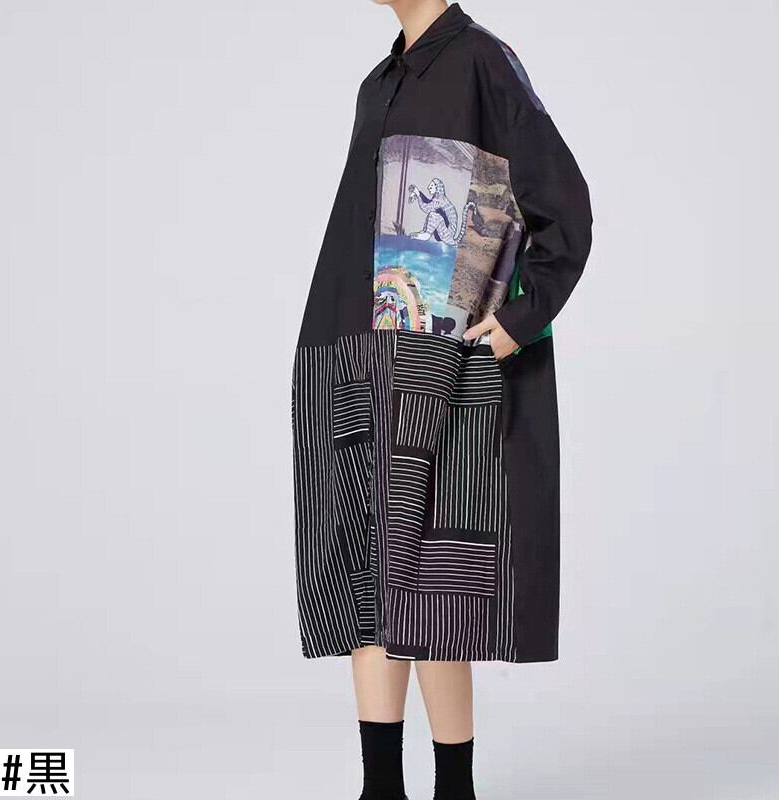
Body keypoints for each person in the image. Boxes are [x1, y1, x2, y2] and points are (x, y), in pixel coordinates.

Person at [290, 1, 592, 797]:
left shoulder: (483, 63)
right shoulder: (377, 84)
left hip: (438, 364)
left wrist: (516, 324)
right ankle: (380, 787)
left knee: (433, 584)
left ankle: (455, 787)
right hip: (349, 359)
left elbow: (564, 208)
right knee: (365, 580)